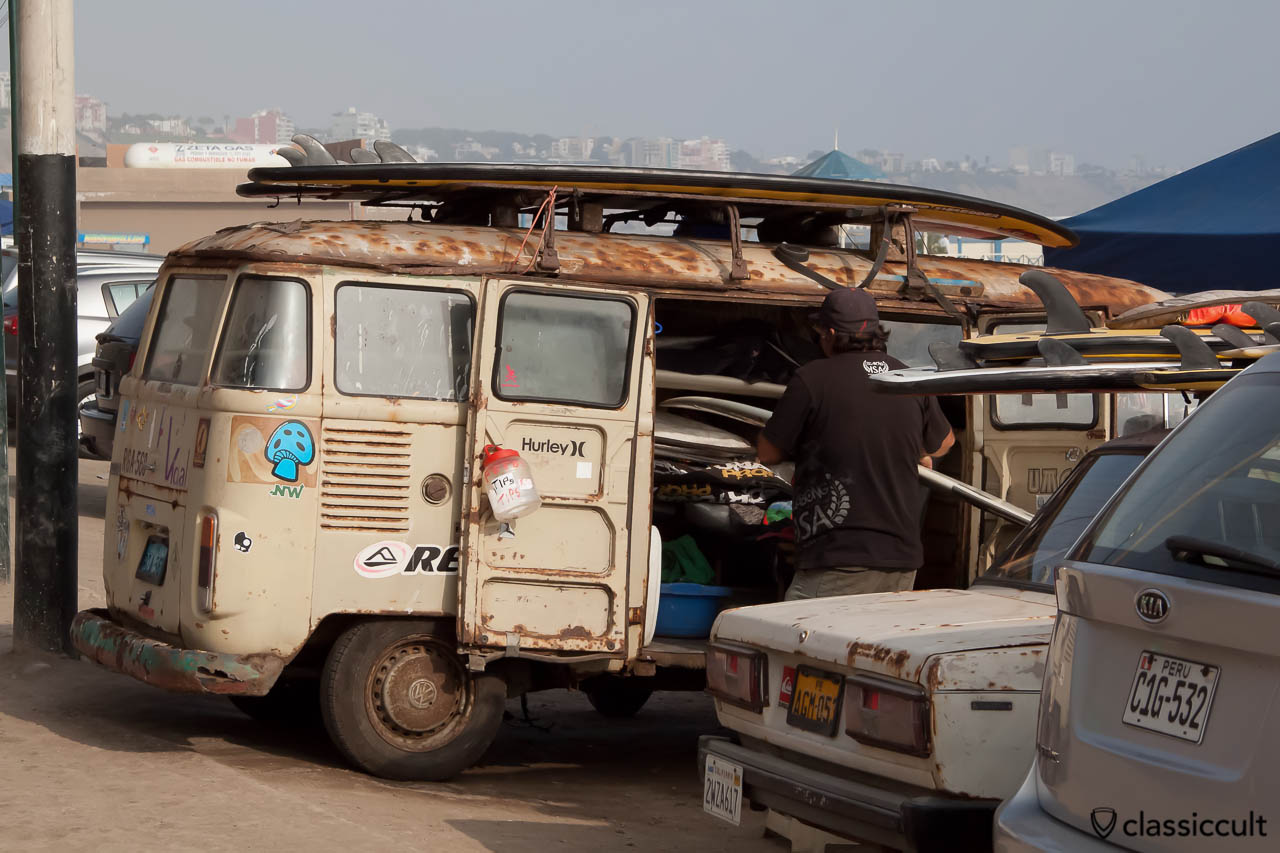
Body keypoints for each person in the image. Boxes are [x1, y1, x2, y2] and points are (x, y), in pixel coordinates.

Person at [757, 287, 954, 600]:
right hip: (901, 559)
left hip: (842, 555)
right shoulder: (908, 378)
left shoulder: (812, 379)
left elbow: (768, 452)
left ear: (831, 333)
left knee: (795, 638)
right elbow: (944, 442)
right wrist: (912, 450)